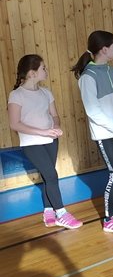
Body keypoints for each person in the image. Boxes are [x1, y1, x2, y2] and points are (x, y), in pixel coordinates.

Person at [71, 30, 113, 234]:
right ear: (104, 49)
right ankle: (110, 218)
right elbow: (93, 111)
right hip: (105, 134)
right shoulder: (88, 77)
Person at [8, 55, 83, 229]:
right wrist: (43, 132)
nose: (46, 71)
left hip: (51, 140)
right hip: (32, 143)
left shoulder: (46, 92)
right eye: (43, 68)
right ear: (32, 73)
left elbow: (55, 116)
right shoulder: (16, 95)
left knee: (47, 176)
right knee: (51, 175)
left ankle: (49, 211)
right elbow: (14, 124)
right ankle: (61, 213)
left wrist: (55, 127)